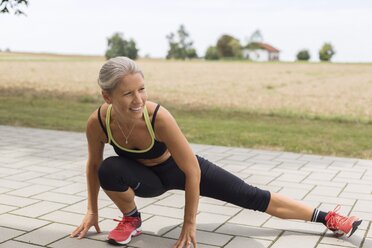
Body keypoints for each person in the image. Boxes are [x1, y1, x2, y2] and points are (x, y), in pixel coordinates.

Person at [70, 57, 362, 247]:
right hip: (145, 179)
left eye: (142, 89)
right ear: (107, 96)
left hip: (180, 169)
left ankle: (327, 218)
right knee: (108, 168)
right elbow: (93, 165)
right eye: (128, 93)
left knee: (251, 196)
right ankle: (131, 218)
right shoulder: (98, 122)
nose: (138, 99)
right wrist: (92, 210)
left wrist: (189, 224)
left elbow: (192, 171)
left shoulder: (158, 117)